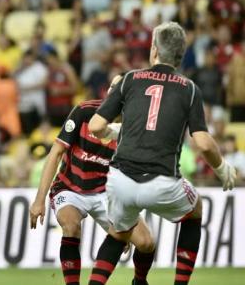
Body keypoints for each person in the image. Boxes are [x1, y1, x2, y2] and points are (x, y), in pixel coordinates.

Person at [86, 22, 237, 285]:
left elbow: (96, 126)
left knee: (119, 234)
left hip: (120, 178)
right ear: (180, 54)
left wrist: (115, 131)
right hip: (162, 182)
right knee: (196, 210)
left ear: (154, 49)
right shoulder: (189, 89)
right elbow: (202, 142)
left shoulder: (130, 78)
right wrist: (222, 169)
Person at [30, 75, 156, 285]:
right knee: (70, 226)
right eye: (111, 88)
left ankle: (139, 281)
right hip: (70, 187)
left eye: (118, 89)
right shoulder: (85, 111)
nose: (111, 93)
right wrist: (38, 199)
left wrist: (123, 221)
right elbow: (56, 152)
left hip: (106, 192)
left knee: (146, 243)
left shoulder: (134, 126)